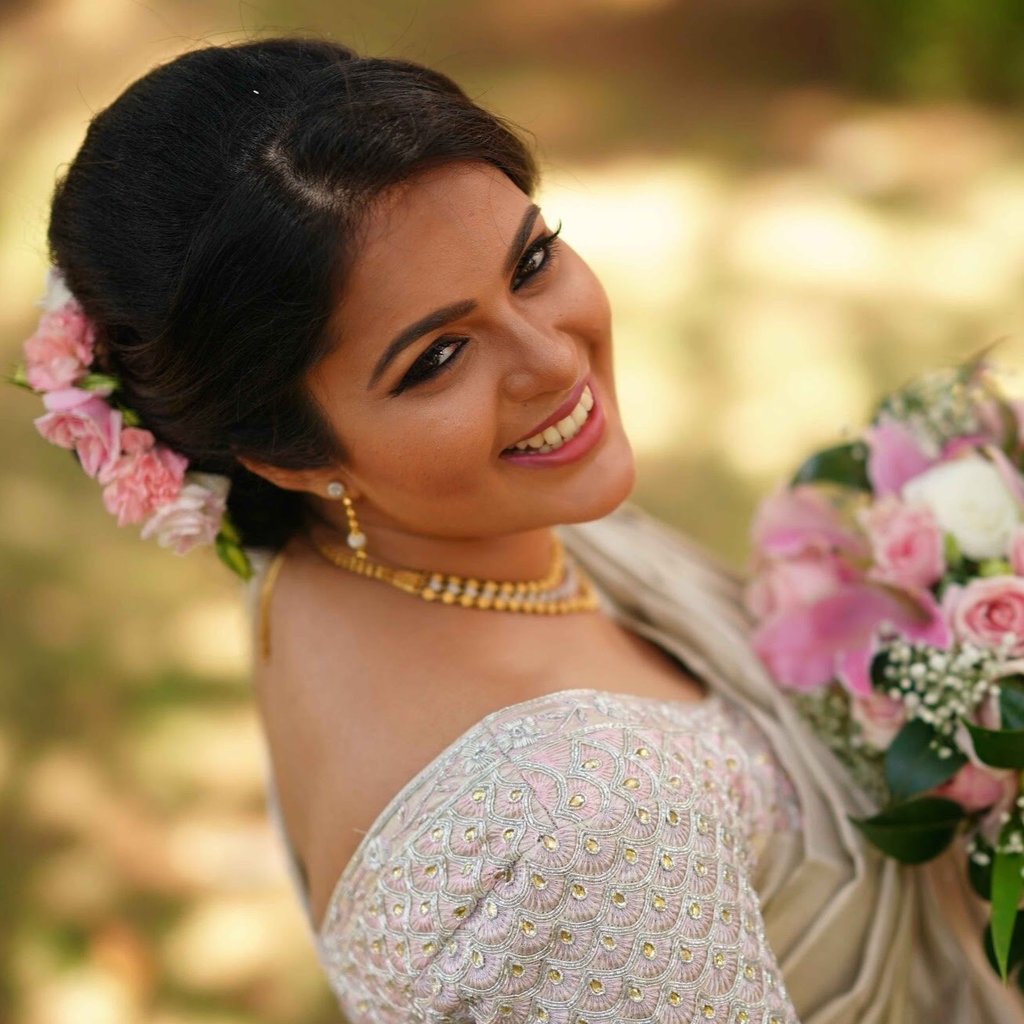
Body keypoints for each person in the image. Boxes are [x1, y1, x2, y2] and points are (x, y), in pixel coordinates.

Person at [30, 35, 1024, 1024]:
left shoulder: (349, 560)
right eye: (437, 356)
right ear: (290, 456)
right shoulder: (588, 833)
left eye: (533, 261)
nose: (552, 361)